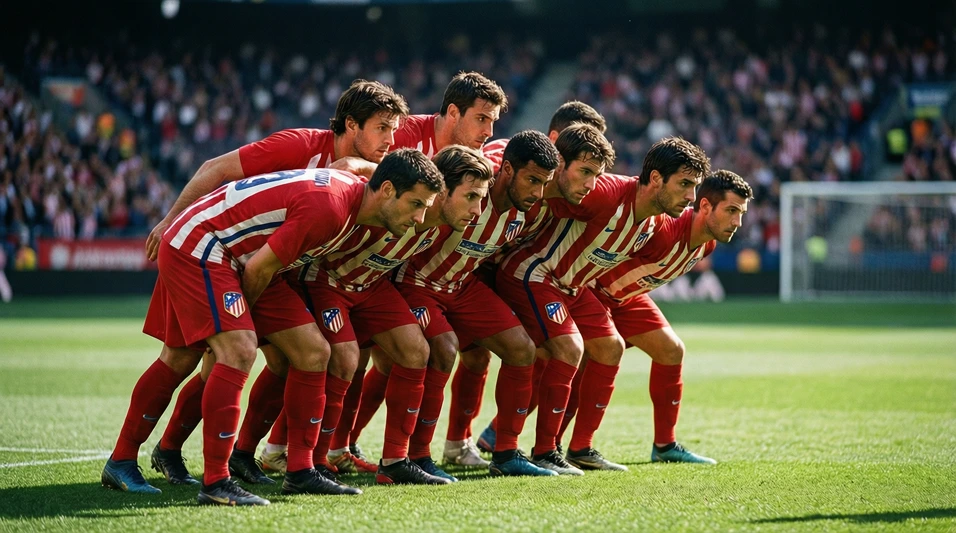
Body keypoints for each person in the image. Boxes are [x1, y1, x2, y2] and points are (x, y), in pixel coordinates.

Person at [101, 151, 444, 506]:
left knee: (314, 352)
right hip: (204, 246)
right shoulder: (330, 209)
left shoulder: (357, 194)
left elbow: (352, 165)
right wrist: (232, 323)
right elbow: (259, 268)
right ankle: (210, 480)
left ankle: (300, 472)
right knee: (235, 349)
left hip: (246, 260)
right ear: (387, 190)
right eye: (416, 203)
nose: (420, 217)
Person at [141, 79, 408, 484]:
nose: (391, 139)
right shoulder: (298, 146)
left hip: (276, 271)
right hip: (218, 256)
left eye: (394, 129)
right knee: (193, 359)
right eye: (383, 127)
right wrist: (169, 220)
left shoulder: (368, 181)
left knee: (293, 358)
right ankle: (168, 449)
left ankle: (245, 455)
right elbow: (214, 169)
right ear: (351, 125)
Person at [235, 146, 496, 486]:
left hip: (370, 288)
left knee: (416, 350)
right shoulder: (388, 207)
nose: (477, 211)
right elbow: (356, 191)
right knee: (341, 358)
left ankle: (397, 461)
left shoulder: (440, 222)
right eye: (471, 197)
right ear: (442, 190)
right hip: (326, 283)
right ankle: (311, 462)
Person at [321, 71, 508, 468]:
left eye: (494, 122)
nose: (489, 131)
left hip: (389, 273)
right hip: (349, 266)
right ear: (453, 112)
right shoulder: (404, 141)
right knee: (340, 355)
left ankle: (364, 451)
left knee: (399, 354)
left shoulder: (476, 166)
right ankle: (297, 449)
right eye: (481, 119)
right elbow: (348, 170)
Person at [492, 136, 710, 475]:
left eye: (693, 186)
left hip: (574, 287)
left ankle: (580, 448)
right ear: (655, 179)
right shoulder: (604, 193)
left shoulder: (654, 223)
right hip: (536, 272)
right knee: (567, 349)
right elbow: (547, 193)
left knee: (610, 347)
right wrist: (500, 241)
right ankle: (536, 451)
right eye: (684, 184)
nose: (691, 197)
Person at [569, 170, 752, 465]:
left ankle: (665, 445)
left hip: (626, 299)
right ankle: (513, 437)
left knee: (671, 350)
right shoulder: (663, 229)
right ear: (705, 206)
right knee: (573, 363)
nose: (737, 222)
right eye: (731, 211)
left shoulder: (707, 244)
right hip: (595, 292)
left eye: (741, 213)